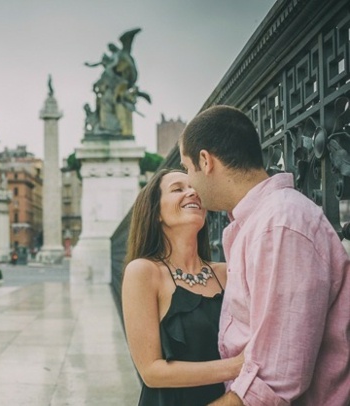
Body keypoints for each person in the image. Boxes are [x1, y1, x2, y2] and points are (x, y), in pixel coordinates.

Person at [179, 105, 350, 405]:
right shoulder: (263, 222)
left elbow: (273, 382)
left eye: (186, 168)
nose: (189, 183)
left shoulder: (278, 225)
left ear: (205, 161)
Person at [122, 168, 243, 405]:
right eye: (178, 189)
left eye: (195, 189)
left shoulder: (226, 272)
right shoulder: (144, 272)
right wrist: (237, 367)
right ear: (156, 212)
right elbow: (151, 372)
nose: (192, 193)